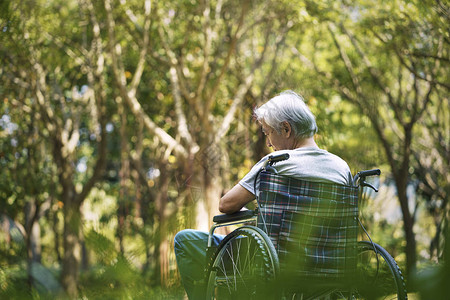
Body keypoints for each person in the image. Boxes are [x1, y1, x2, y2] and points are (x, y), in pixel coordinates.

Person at [174, 90, 352, 299]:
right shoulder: (342, 168)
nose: (268, 143)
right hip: (330, 265)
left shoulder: (276, 163)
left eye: (268, 133)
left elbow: (226, 205)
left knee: (184, 240)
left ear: (286, 129)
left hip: (272, 262)